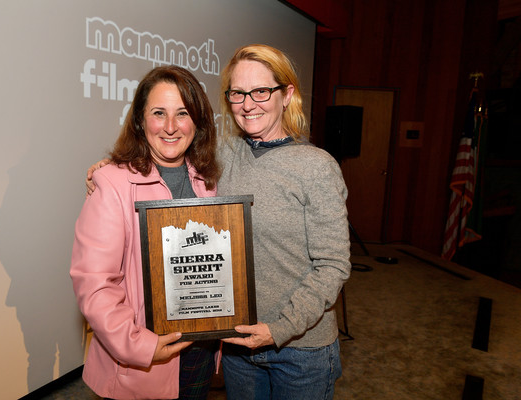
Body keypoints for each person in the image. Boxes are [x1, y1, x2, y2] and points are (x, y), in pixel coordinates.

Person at [86, 44, 351, 400]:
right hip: (237, 347)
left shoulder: (316, 167)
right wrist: (110, 168)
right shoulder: (220, 158)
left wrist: (278, 329)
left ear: (287, 94)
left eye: (261, 91)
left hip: (300, 351)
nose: (248, 103)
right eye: (238, 93)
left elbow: (332, 265)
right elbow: (164, 155)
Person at [71, 65, 221, 400]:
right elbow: (94, 282)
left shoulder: (208, 181)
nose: (170, 127)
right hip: (143, 359)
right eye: (158, 113)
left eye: (182, 113)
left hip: (200, 351)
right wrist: (140, 345)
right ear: (141, 120)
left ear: (197, 122)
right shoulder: (112, 183)